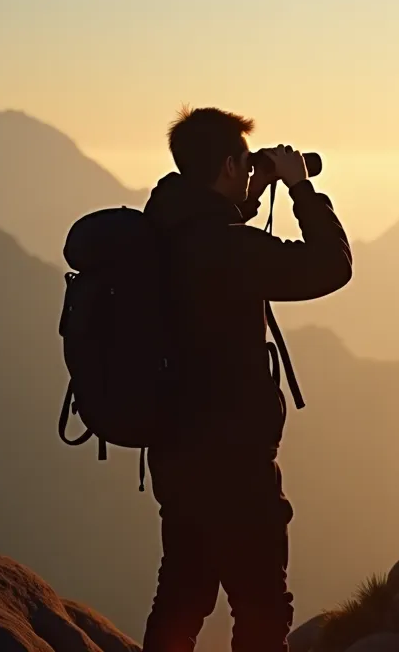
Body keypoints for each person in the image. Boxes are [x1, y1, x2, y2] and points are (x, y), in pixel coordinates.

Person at [140, 106, 353, 652]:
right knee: (262, 606)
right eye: (243, 162)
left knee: (181, 598)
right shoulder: (229, 249)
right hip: (235, 462)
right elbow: (330, 266)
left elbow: (210, 231)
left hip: (175, 452)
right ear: (231, 164)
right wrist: (300, 189)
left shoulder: (161, 226)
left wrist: (250, 191)